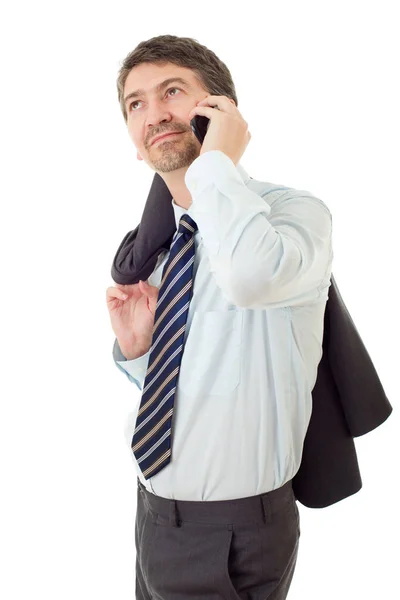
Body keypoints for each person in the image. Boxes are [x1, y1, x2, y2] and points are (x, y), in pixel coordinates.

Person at [106, 34, 333, 600]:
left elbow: (251, 278)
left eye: (172, 91)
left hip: (235, 533)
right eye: (136, 104)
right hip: (154, 514)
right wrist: (141, 355)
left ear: (222, 111)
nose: (153, 113)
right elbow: (211, 388)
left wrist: (214, 163)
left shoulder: (291, 215)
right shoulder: (159, 248)